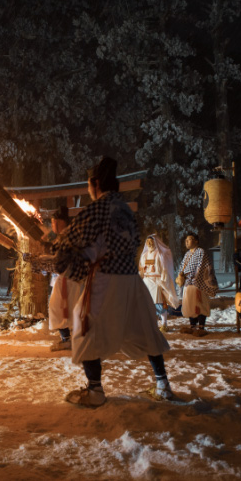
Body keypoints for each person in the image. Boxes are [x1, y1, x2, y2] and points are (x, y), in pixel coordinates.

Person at [55, 157, 172, 407]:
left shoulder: (97, 208)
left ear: (95, 183)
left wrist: (57, 250)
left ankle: (95, 391)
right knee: (145, 329)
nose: (88, 189)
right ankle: (163, 384)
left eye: (88, 184)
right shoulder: (125, 209)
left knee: (84, 327)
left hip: (106, 279)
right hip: (131, 280)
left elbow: (73, 240)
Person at [27, 205, 84, 352]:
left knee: (59, 309)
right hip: (67, 278)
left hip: (67, 278)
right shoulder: (66, 237)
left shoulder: (68, 237)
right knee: (63, 310)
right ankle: (68, 339)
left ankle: (68, 340)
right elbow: (54, 255)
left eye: (54, 222)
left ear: (60, 222)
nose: (52, 225)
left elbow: (58, 263)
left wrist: (38, 261)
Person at [177, 232, 218, 337]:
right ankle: (193, 325)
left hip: (197, 283)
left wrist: (194, 278)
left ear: (196, 241)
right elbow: (182, 267)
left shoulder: (201, 252)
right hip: (187, 283)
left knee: (199, 304)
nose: (186, 242)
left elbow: (202, 268)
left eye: (189, 239)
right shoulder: (187, 254)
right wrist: (181, 276)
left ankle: (201, 326)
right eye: (186, 240)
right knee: (190, 304)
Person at [139, 234, 179, 332]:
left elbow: (164, 269)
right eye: (147, 242)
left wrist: (163, 280)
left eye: (151, 241)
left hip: (156, 282)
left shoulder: (160, 254)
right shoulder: (144, 256)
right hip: (147, 281)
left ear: (155, 242)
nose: (149, 243)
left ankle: (164, 324)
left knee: (159, 304)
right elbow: (141, 269)